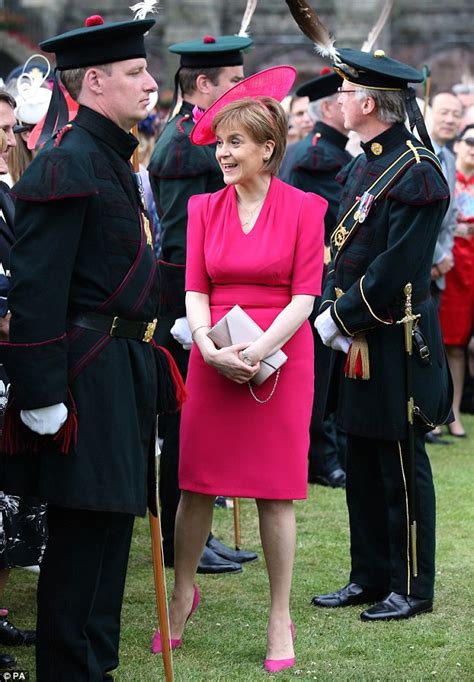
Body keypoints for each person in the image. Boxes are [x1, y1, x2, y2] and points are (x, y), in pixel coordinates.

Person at [0, 15, 180, 680]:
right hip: (81, 382)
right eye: (136, 72)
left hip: (121, 372)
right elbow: (37, 291)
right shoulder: (67, 163)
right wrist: (42, 393)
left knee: (109, 547)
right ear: (96, 81)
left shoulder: (110, 158)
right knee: (80, 557)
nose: (151, 83)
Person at [152, 67, 326, 672]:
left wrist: (258, 353)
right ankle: (180, 596)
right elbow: (194, 287)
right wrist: (206, 344)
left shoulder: (308, 208)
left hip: (281, 357)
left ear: (267, 148)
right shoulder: (203, 207)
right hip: (212, 353)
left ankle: (280, 615)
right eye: (219, 142)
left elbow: (305, 297)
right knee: (196, 482)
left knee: (277, 493)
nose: (222, 152)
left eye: (234, 143)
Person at [311, 48, 452, 621]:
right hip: (356, 341)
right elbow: (343, 253)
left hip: (394, 341)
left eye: (344, 93)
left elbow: (397, 270)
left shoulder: (417, 172)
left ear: (368, 102)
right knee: (362, 462)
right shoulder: (367, 161)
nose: (337, 101)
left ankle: (411, 585)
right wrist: (332, 308)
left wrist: (337, 318)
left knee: (399, 464)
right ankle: (368, 576)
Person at [148, 34, 258, 573]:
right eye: (234, 81)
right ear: (202, 85)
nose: (243, 87)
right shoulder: (184, 143)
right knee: (182, 422)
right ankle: (178, 539)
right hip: (181, 293)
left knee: (203, 423)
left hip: (200, 287)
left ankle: (200, 533)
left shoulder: (205, 135)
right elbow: (180, 236)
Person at [286, 68, 352, 488]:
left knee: (325, 372)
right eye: (342, 98)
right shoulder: (318, 157)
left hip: (320, 276)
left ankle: (324, 453)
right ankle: (320, 457)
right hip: (318, 276)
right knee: (320, 374)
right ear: (327, 107)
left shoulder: (320, 151)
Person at [0, 88, 45, 672]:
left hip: (9, 366)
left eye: (11, 127)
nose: (8, 138)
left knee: (6, 497)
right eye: (0, 127)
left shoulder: (7, 196)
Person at [425, 92, 463, 444]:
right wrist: (436, 258)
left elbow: (448, 218)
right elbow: (424, 216)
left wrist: (445, 254)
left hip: (440, 264)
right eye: (444, 112)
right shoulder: (418, 152)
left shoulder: (449, 156)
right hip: (422, 264)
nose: (450, 119)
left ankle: (431, 418)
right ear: (430, 113)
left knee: (435, 346)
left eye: (457, 114)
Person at [438, 124, 474, 437]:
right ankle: (438, 411)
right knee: (444, 341)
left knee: (461, 345)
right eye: (470, 142)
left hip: (471, 265)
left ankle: (457, 409)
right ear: (458, 144)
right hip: (450, 264)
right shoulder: (447, 174)